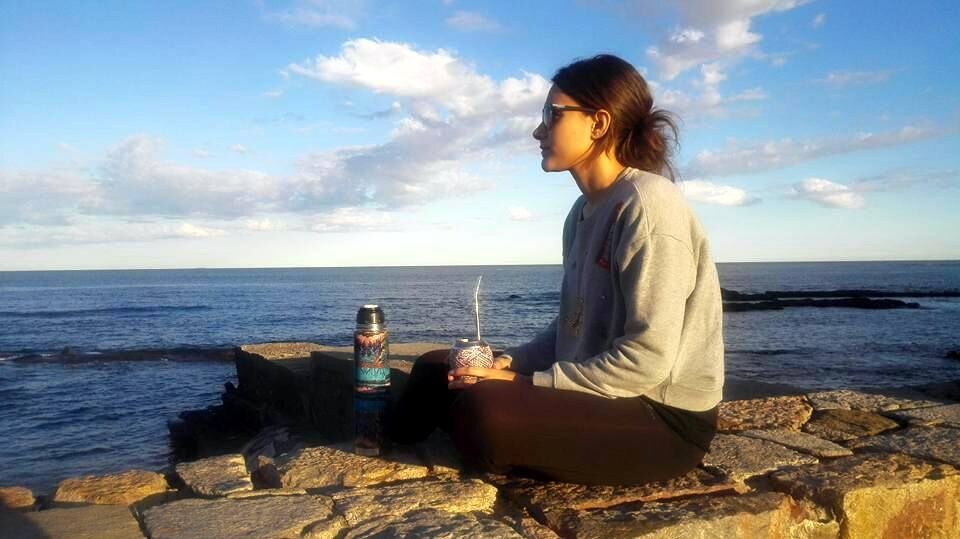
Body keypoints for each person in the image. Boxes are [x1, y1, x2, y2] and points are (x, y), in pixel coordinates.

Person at [386, 53, 724, 486]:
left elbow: (647, 360)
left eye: (552, 114)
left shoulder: (649, 205)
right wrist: (507, 361)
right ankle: (381, 441)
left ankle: (481, 438)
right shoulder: (583, 212)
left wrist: (521, 381)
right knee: (440, 367)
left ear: (598, 123)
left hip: (660, 417)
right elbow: (569, 325)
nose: (538, 130)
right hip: (607, 396)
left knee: (482, 411)